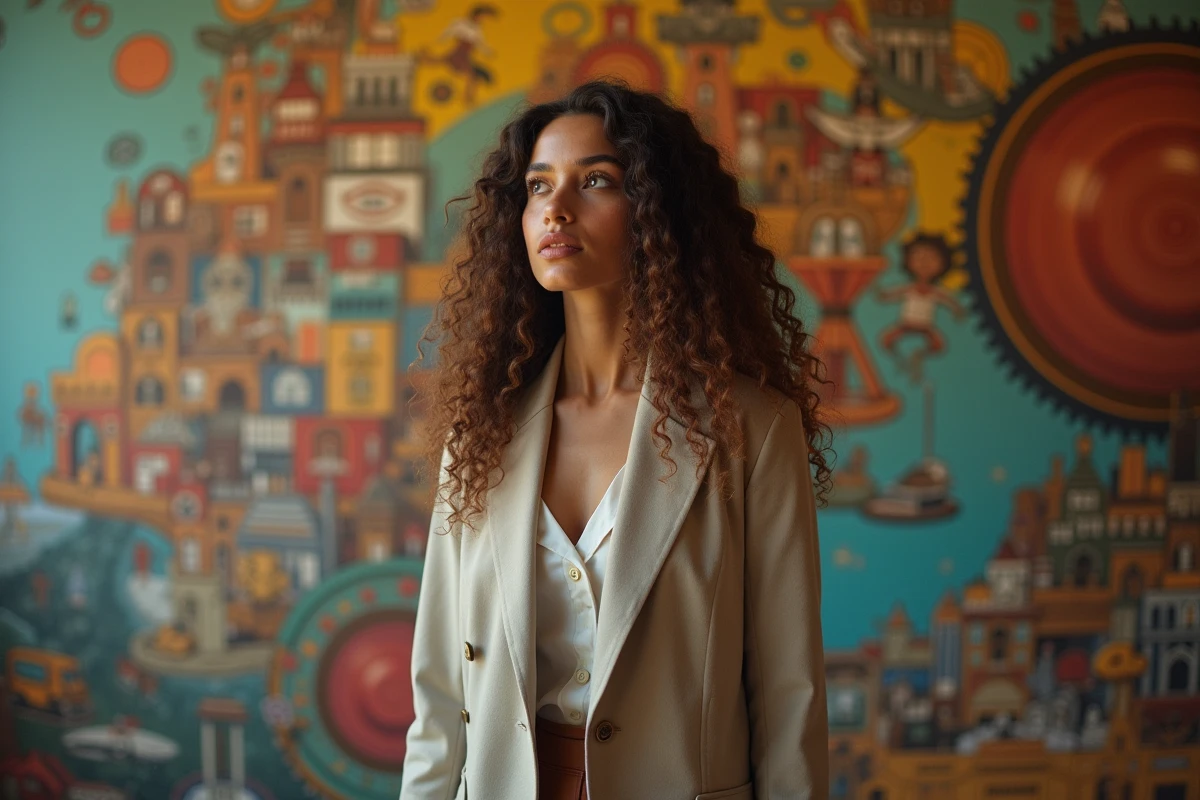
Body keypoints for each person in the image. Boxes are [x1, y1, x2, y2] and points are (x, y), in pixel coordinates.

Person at [400, 80, 831, 800]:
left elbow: (791, 697)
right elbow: (440, 698)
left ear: (660, 213)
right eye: (539, 186)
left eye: (596, 180)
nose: (556, 209)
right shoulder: (482, 433)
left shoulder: (750, 429)